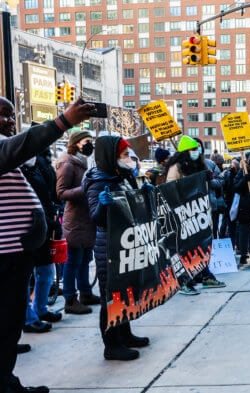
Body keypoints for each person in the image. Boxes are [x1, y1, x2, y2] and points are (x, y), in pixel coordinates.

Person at [0, 96, 95, 393]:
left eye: (12, 115)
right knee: (4, 322)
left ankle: (6, 380)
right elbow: (20, 146)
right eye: (3, 115)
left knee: (9, 323)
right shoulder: (8, 150)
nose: (10, 121)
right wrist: (63, 121)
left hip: (17, 251)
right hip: (5, 254)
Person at [83, 136, 151, 361]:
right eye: (123, 155)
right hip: (108, 248)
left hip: (124, 244)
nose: (128, 159)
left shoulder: (122, 177)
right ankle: (111, 345)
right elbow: (97, 219)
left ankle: (125, 334)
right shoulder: (99, 182)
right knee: (109, 298)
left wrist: (146, 195)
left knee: (124, 292)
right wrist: (103, 206)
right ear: (110, 157)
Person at [165, 136, 226, 293]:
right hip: (183, 213)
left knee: (201, 246)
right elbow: (171, 189)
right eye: (192, 149)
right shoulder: (176, 167)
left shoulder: (199, 165)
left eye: (197, 149)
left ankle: (205, 276)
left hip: (199, 212)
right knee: (185, 248)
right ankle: (185, 281)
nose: (196, 151)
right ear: (185, 152)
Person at [56, 130, 99, 315]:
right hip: (75, 221)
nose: (90, 144)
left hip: (87, 219)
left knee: (85, 260)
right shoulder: (68, 164)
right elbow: (61, 192)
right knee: (72, 262)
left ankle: (86, 293)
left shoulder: (85, 162)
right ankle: (70, 299)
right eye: (87, 141)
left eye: (92, 141)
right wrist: (85, 189)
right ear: (76, 143)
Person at [21, 148, 63, 333]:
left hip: (43, 228)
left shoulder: (35, 168)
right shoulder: (17, 170)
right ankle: (28, 318)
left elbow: (45, 196)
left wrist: (51, 218)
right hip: (26, 231)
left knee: (46, 270)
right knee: (24, 277)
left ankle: (40, 308)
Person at [193, 138, 224, 239]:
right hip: (194, 208)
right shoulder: (186, 165)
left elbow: (221, 181)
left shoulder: (210, 164)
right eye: (194, 147)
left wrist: (210, 181)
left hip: (211, 205)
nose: (197, 149)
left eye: (199, 146)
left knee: (213, 232)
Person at [221, 159, 241, 241]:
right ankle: (229, 240)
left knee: (233, 223)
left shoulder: (239, 175)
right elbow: (225, 187)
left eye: (234, 167)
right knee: (229, 223)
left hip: (235, 201)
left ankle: (235, 242)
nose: (233, 169)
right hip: (229, 202)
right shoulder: (227, 175)